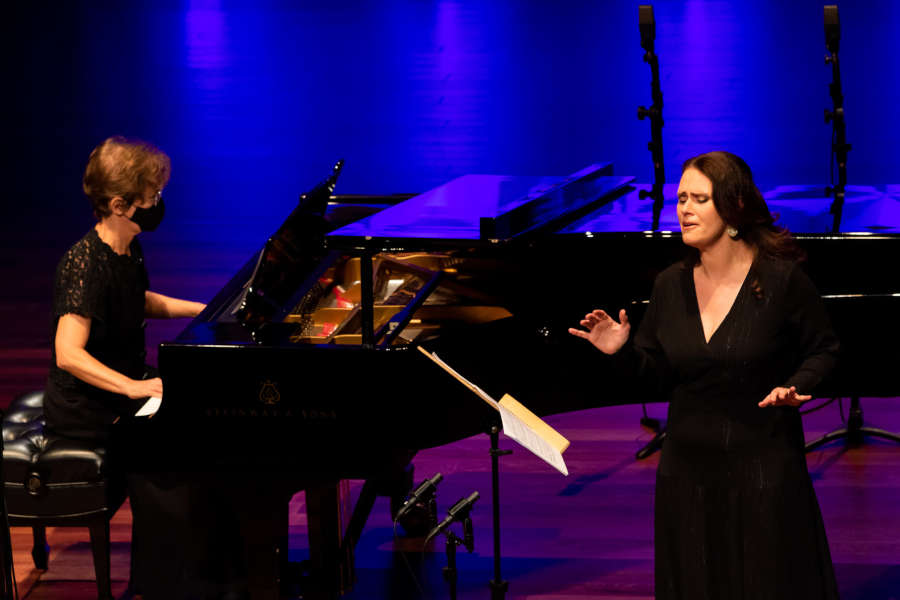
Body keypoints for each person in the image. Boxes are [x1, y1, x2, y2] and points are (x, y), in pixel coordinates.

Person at [569, 151, 840, 599]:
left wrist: (798, 386)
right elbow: (656, 376)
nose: (685, 210)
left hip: (762, 466)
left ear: (732, 207)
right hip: (688, 471)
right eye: (680, 199)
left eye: (699, 198)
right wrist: (619, 353)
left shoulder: (780, 280)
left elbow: (825, 349)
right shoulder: (670, 285)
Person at [44, 136, 206, 597]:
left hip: (121, 386)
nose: (157, 204)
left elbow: (134, 301)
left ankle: (204, 571)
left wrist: (200, 309)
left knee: (199, 433)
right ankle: (161, 586)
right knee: (166, 459)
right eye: (151, 197)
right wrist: (136, 390)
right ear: (119, 204)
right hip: (87, 408)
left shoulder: (126, 247)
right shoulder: (83, 264)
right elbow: (68, 353)